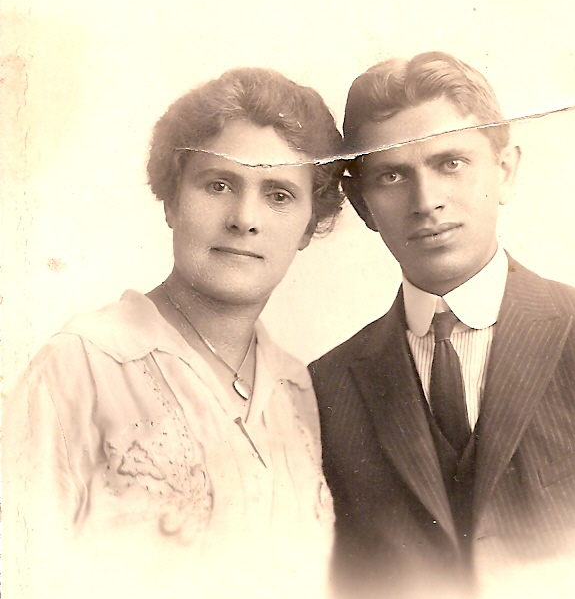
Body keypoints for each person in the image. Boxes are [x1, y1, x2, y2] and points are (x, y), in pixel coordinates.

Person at [310, 51, 575, 591]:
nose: (427, 202)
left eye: (451, 163)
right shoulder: (323, 388)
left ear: (505, 171)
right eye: (392, 175)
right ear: (361, 204)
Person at [8, 66, 343, 565]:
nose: (244, 219)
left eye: (278, 195)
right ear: (171, 202)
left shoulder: (298, 389)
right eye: (219, 185)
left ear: (308, 226)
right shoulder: (80, 366)